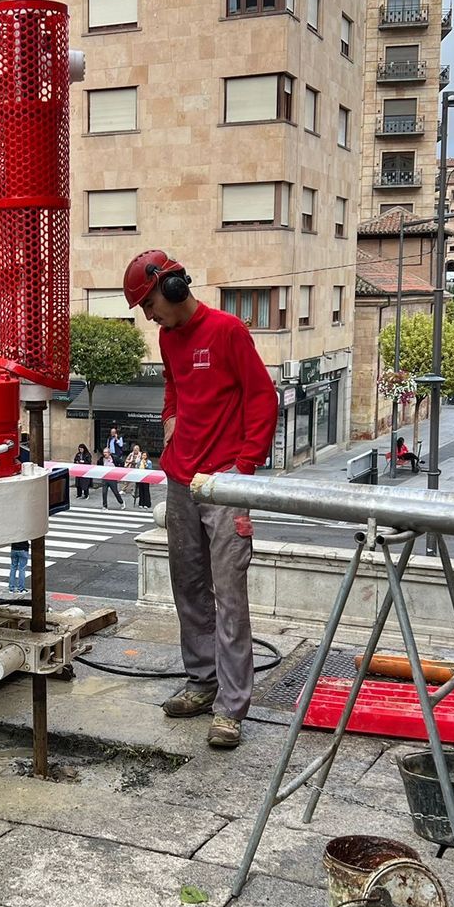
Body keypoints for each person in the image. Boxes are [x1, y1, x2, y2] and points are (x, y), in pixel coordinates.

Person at [124, 248, 277, 750]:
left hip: (225, 480)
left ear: (170, 288)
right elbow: (173, 386)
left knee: (229, 597)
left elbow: (262, 397)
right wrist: (169, 424)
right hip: (181, 478)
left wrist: (245, 468)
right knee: (188, 586)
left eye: (149, 304)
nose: (149, 316)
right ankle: (202, 681)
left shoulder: (228, 331)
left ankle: (230, 708)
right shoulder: (169, 338)